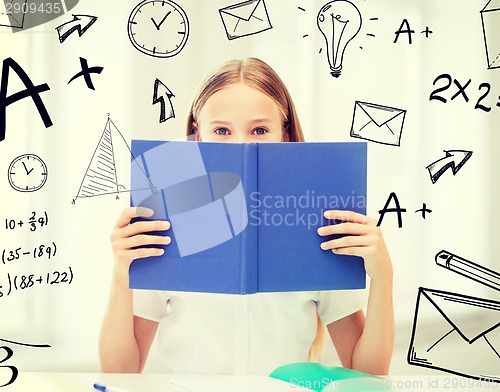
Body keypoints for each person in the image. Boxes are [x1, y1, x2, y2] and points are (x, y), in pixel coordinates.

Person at [98, 57, 394, 375]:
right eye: (222, 130)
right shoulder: (165, 226)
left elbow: (368, 373)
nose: (241, 144)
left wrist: (383, 277)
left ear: (286, 134)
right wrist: (120, 274)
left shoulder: (320, 227)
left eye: (259, 130)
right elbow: (120, 372)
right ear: (198, 136)